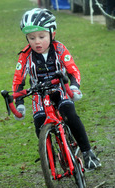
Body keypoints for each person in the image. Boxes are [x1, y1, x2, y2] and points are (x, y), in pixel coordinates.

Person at [12, 8, 101, 171]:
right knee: (39, 124)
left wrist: (74, 87)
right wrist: (19, 103)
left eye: (41, 36)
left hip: (60, 88)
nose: (37, 42)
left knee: (70, 114)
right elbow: (18, 80)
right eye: (31, 38)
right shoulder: (25, 55)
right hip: (38, 93)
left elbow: (73, 70)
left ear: (52, 34)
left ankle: (88, 153)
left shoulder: (59, 48)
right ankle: (50, 159)